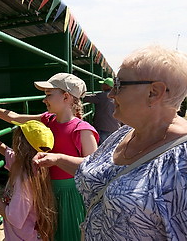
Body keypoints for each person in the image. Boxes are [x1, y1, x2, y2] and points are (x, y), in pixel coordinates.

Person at [33, 45, 187, 240]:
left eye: (119, 84)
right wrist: (58, 158)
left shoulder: (182, 162)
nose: (111, 94)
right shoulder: (123, 134)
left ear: (154, 92)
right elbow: (100, 170)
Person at [0, 72, 99, 241]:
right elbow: (14, 117)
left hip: (70, 195)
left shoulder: (82, 129)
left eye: (49, 94)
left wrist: (58, 158)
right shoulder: (47, 120)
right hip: (45, 191)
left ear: (66, 97)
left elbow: (95, 165)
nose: (44, 100)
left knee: (69, 233)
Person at [0, 120, 56, 241]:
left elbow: (13, 218)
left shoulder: (24, 181)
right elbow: (5, 150)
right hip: (24, 235)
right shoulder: (32, 165)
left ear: (20, 143)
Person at [83, 77, 120, 144]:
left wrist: (80, 94)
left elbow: (87, 98)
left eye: (104, 84)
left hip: (103, 128)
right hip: (115, 127)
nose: (102, 86)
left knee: (103, 148)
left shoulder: (102, 96)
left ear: (108, 86)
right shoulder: (117, 96)